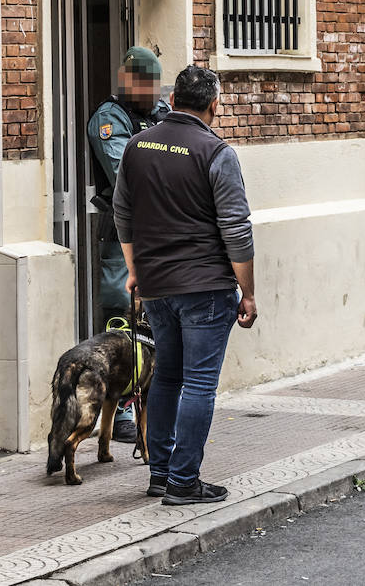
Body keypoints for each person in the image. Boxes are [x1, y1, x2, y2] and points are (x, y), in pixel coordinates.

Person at [114, 65, 258, 505]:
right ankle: (183, 482)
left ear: (173, 99)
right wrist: (247, 291)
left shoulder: (137, 146)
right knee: (198, 384)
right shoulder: (216, 152)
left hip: (156, 286)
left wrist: (134, 270)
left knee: (167, 377)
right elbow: (236, 228)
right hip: (205, 288)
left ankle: (160, 473)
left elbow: (123, 211)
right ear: (214, 105)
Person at [87, 46, 170, 442]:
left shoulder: (161, 113)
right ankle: (118, 411)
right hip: (122, 232)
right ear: (129, 81)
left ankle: (153, 405)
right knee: (121, 316)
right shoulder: (109, 118)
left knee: (156, 318)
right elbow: (125, 173)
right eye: (148, 85)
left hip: (162, 230)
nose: (156, 93)